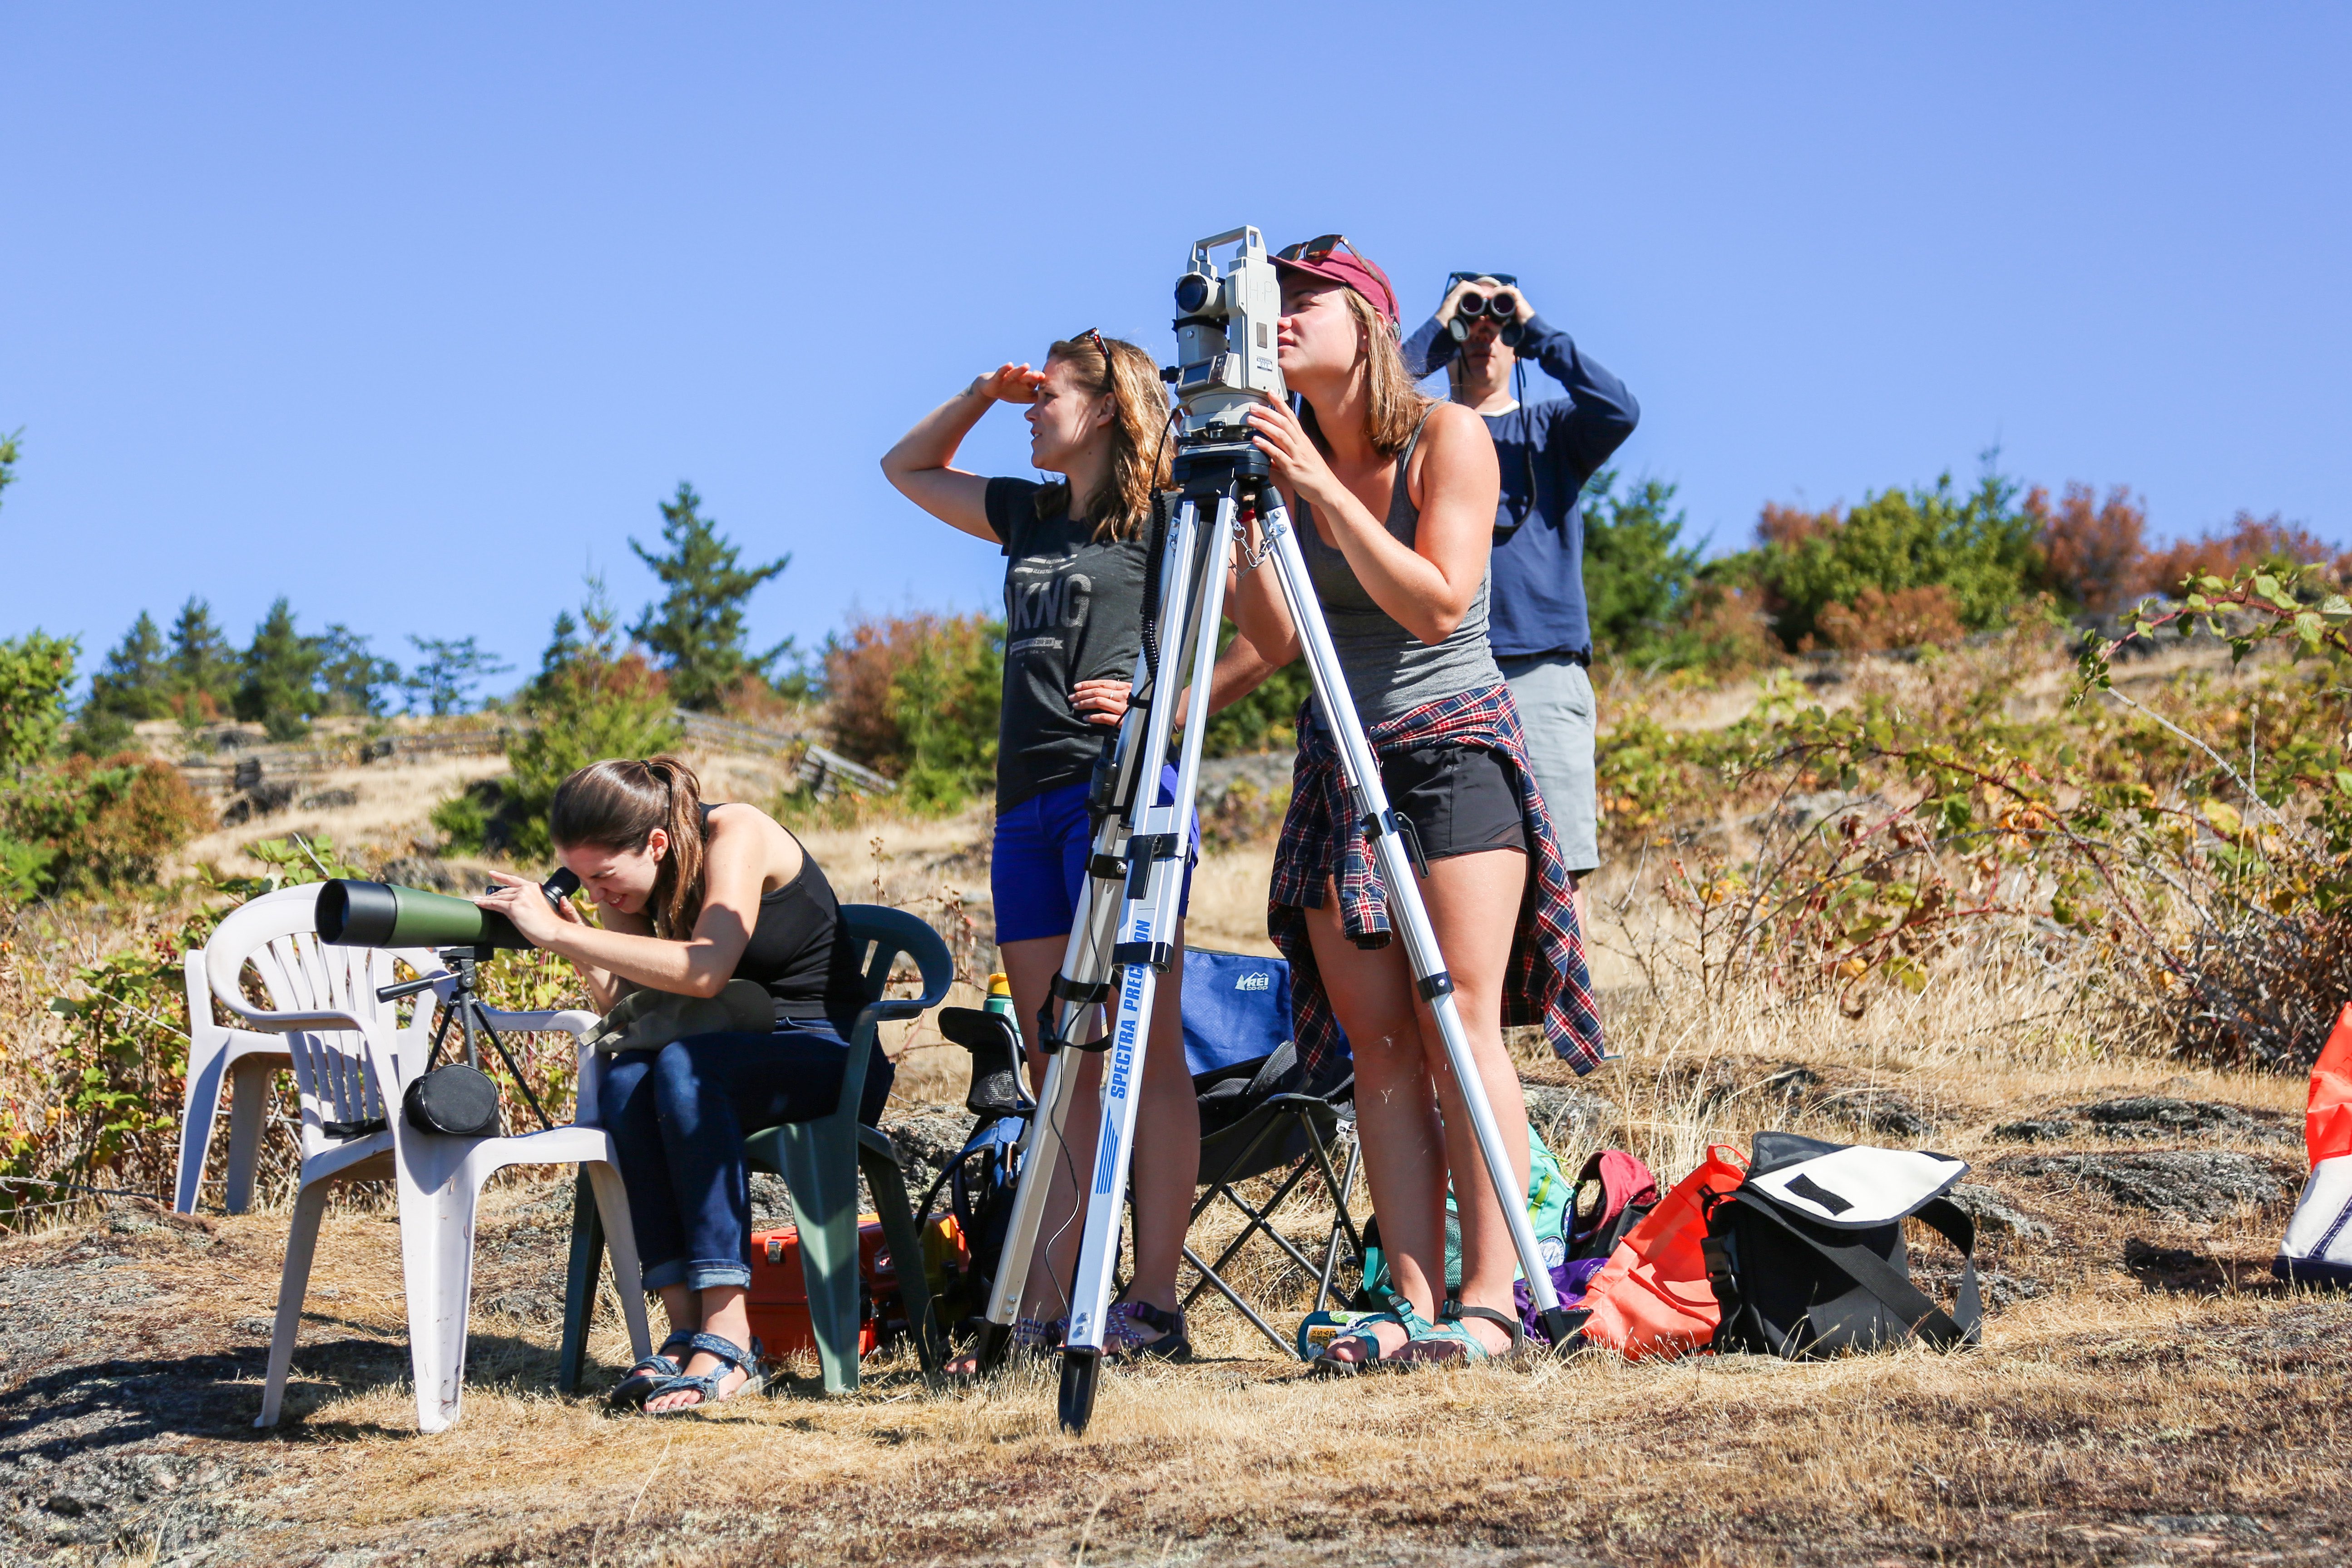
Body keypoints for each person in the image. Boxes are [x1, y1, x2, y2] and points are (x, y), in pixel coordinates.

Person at [1227, 236, 1605, 1370]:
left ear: (1372, 324)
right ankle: (1407, 1296)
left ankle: (1491, 1298)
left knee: (1457, 1021)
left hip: (1451, 750)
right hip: (1341, 764)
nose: (1282, 317)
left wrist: (1319, 489)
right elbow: (1279, 633)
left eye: (1306, 300)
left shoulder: (1450, 435)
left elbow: (1441, 602)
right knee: (1379, 1042)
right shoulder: (1287, 458)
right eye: (1273, 302)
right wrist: (1255, 518)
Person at [881, 331, 1268, 1367]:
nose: (1030, 411)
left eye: (1045, 396)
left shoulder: (1171, 515)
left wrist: (1162, 707)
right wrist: (974, 390)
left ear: (1103, 407)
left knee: (1143, 1053)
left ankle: (1149, 1300)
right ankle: (1048, 1307)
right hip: (1027, 809)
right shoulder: (1029, 513)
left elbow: (1269, 635)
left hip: (1128, 793)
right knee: (1060, 1060)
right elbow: (906, 469)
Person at [475, 755, 874, 1415]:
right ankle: (686, 1326)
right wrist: (572, 940)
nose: (599, 894)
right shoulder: (641, 879)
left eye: (604, 877)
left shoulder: (734, 833)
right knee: (625, 1071)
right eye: (583, 880)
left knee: (687, 1065)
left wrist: (557, 930)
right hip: (725, 1046)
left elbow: (705, 969)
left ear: (656, 842)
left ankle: (730, 1337)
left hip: (823, 1048)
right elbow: (628, 1004)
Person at [1400, 277, 1638, 909]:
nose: (1486, 337)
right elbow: (1368, 399)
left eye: (1499, 326)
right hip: (1442, 670)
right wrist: (1439, 327)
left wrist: (1535, 330)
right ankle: (1485, 1012)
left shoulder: (1551, 429)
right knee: (1450, 868)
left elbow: (1619, 410)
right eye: (1471, 325)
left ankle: (1564, 1010)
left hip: (1539, 665)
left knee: (1561, 867)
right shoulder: (1417, 434)